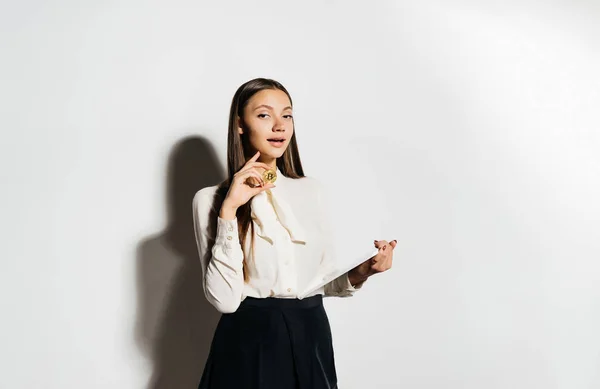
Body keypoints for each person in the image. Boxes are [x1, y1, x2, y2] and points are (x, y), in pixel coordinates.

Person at [192, 77, 396, 389]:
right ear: (239, 125)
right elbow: (225, 301)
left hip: (311, 334)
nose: (279, 125)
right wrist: (230, 209)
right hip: (249, 342)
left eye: (286, 115)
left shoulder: (311, 190)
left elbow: (321, 282)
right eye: (264, 115)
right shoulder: (211, 199)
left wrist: (364, 271)